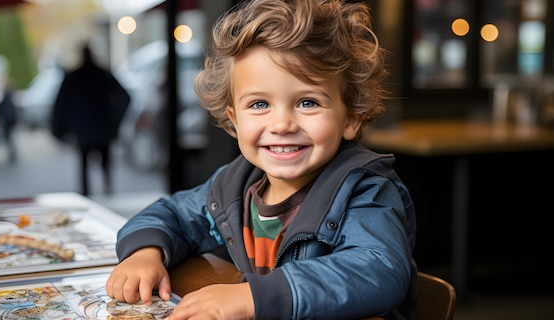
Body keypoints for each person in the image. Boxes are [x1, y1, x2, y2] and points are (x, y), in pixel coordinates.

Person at [106, 0, 417, 319]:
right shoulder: (234, 188)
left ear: (350, 118)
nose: (282, 124)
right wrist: (145, 253)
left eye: (307, 102)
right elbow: (172, 213)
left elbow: (378, 270)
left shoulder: (365, 191)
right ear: (234, 120)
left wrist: (253, 297)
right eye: (259, 105)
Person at [51, 44, 130, 196]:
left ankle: (88, 194)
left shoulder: (75, 76)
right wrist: (115, 120)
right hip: (103, 127)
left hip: (84, 130)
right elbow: (124, 97)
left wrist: (62, 128)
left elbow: (61, 104)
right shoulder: (102, 74)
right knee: (104, 164)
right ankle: (108, 191)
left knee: (85, 165)